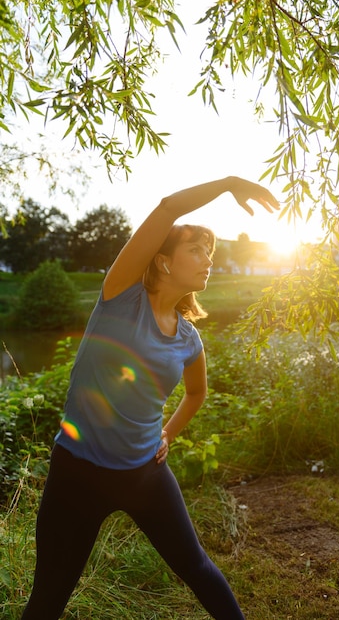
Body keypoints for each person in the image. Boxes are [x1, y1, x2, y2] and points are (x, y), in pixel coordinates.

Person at [21, 176, 279, 620]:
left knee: (197, 568)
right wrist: (228, 184)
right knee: (50, 595)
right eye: (195, 251)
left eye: (210, 253)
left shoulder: (188, 340)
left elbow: (196, 394)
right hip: (77, 474)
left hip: (145, 476)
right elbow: (165, 209)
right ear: (163, 262)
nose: (207, 261)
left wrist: (167, 433)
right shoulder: (120, 297)